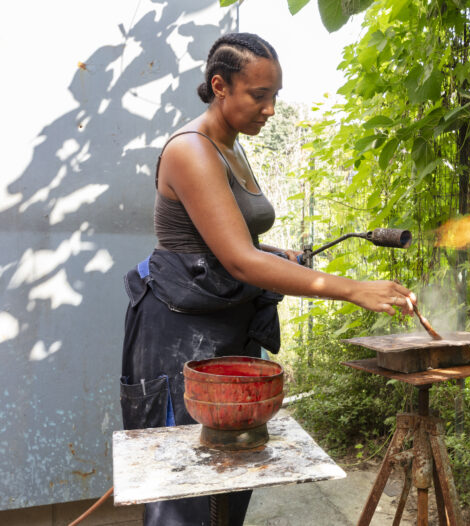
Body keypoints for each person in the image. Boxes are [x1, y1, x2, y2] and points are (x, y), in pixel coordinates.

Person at [119, 32, 416, 526]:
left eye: (275, 95)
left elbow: (227, 240)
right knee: (187, 488)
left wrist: (277, 254)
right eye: (260, 95)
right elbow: (238, 261)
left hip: (228, 326)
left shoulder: (232, 146)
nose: (271, 109)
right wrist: (354, 289)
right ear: (220, 86)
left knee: (234, 471)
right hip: (180, 335)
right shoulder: (191, 150)